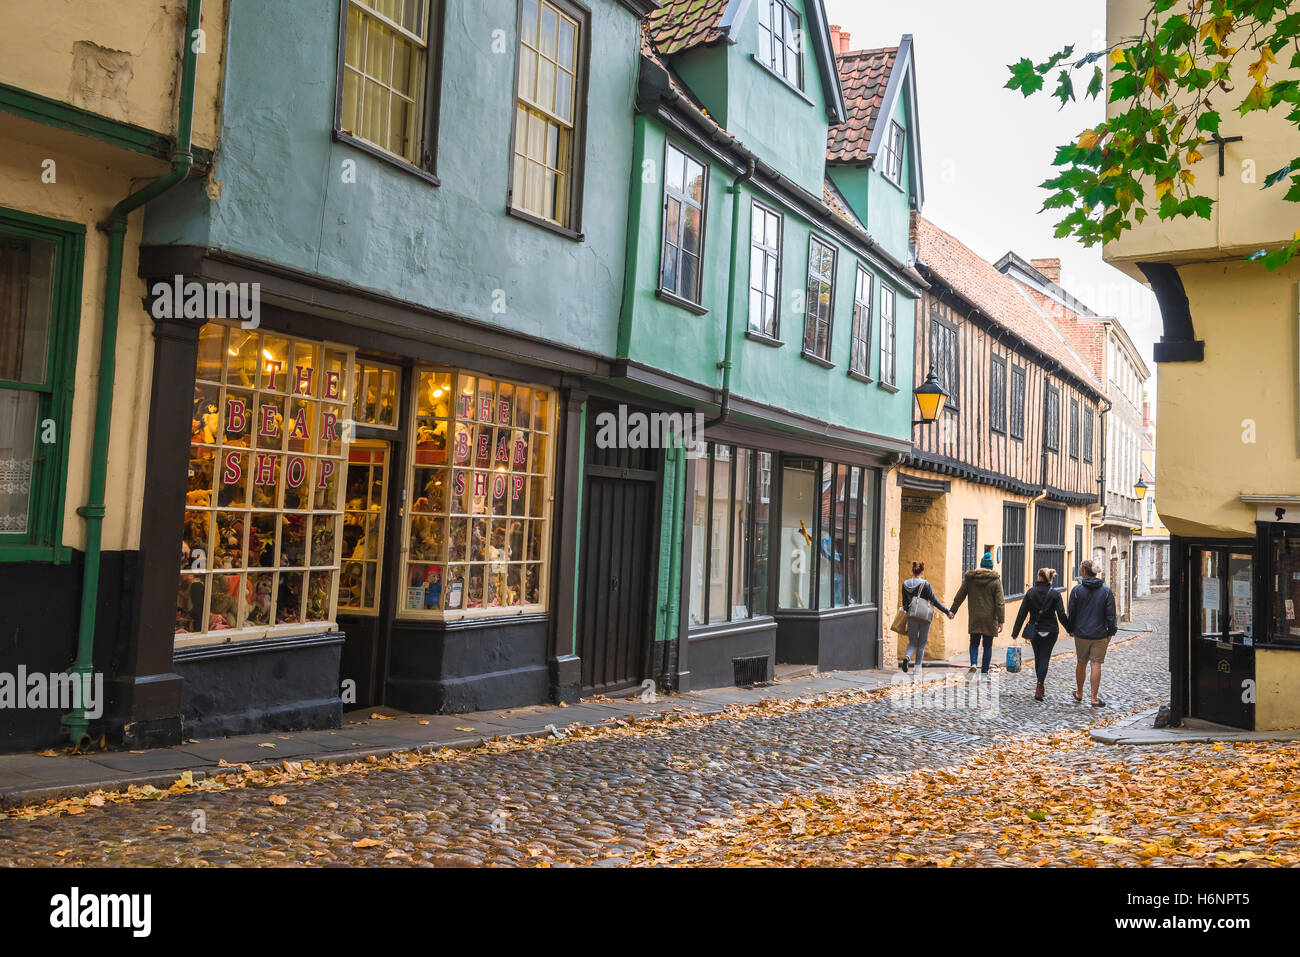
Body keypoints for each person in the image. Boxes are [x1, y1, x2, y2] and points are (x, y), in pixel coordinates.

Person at [1011, 568, 1071, 701]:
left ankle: (1040, 685)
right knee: (1045, 657)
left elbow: (1022, 613)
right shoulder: (1055, 595)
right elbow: (1061, 615)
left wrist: (1015, 632)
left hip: (1035, 630)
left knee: (1038, 657)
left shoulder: (1030, 593)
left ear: (1038, 577)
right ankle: (1040, 685)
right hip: (1051, 630)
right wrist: (1069, 629)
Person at [1068, 559, 1118, 707]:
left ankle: (1079, 692)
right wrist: (1110, 632)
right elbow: (1111, 615)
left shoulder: (1077, 591)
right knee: (1096, 664)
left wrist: (1071, 629)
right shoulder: (1106, 591)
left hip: (1081, 633)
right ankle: (1094, 698)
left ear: (1084, 572)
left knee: (1081, 662)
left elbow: (1072, 612)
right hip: (1100, 634)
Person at [950, 550, 1006, 677]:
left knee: (974, 642)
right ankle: (985, 671)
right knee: (987, 645)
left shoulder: (971, 579)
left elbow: (960, 596)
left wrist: (953, 610)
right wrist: (1001, 620)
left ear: (980, 564)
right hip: (990, 618)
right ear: (991, 567)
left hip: (975, 616)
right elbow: (1000, 602)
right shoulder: (995, 581)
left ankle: (974, 664)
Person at [899, 561, 954, 674]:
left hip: (911, 616)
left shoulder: (905, 584)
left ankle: (907, 657)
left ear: (913, 571)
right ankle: (917, 669)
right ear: (922, 572)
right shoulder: (925, 584)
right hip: (924, 616)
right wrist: (947, 612)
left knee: (912, 642)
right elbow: (934, 601)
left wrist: (907, 613)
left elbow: (904, 603)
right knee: (922, 643)